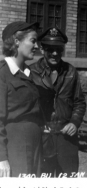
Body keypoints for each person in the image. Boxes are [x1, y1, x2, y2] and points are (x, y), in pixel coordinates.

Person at [30, 27, 86, 177]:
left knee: (68, 177)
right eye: (50, 49)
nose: (55, 53)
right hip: (43, 137)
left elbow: (79, 102)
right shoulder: (31, 72)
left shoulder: (71, 71)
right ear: (42, 49)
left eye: (59, 49)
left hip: (66, 138)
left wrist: (74, 122)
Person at [0, 21, 42, 177]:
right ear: (16, 41)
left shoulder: (28, 72)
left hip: (35, 143)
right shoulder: (3, 73)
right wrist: (1, 157)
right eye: (32, 40)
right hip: (15, 144)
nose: (37, 46)